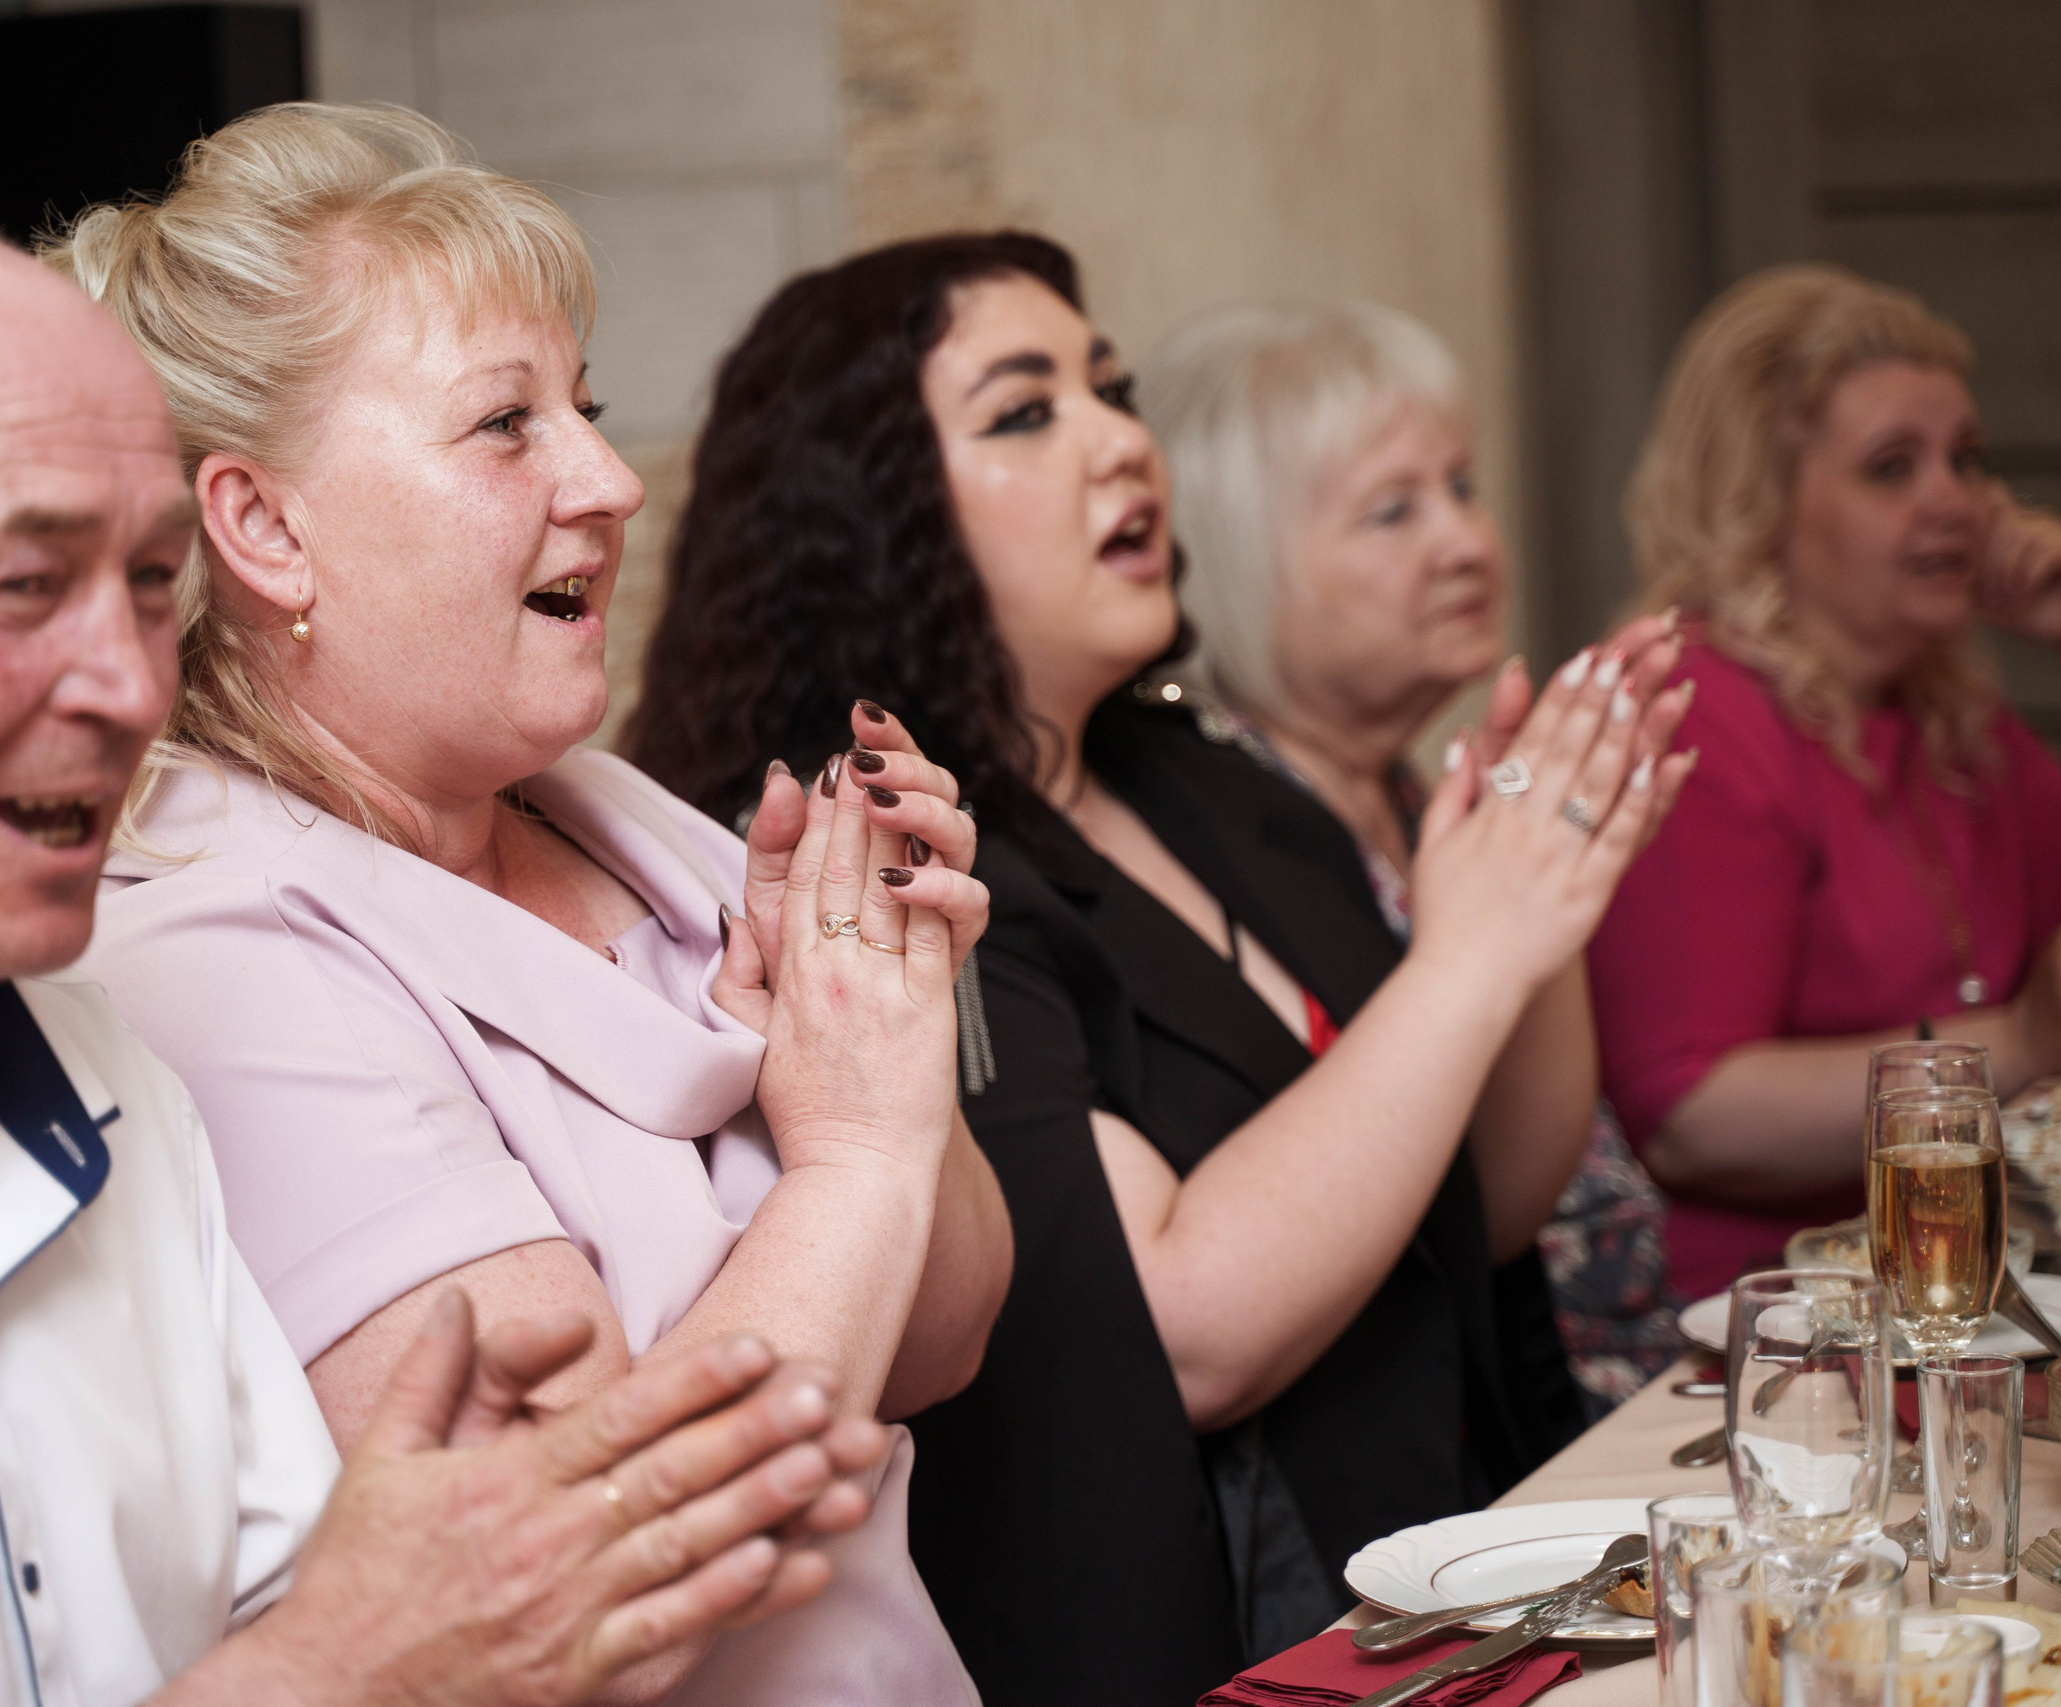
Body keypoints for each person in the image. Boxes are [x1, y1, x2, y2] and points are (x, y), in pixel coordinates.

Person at [0, 200, 888, 1707]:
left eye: (149, 584)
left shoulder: (113, 1081)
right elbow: (369, 1642)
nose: (128, 682)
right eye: (20, 583)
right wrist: (342, 1670)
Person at [625, 232, 1694, 1705]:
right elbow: (1181, 1319)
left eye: (1110, 388)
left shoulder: (1211, 779)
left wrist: (1537, 912)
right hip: (1254, 1644)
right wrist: (1471, 952)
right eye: (1027, 409)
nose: (1122, 440)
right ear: (871, 510)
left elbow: (1483, 1197)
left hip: (1478, 1577)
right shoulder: (890, 858)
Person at [54, 105, 1003, 1706]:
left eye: (589, 404)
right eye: (507, 426)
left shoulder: (619, 813)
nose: (613, 480)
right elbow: (589, 1568)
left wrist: (890, 1032)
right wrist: (846, 1151)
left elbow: (943, 1333)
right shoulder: (203, 947)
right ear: (267, 527)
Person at [1137, 302, 1683, 1414]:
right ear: (1236, 562)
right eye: (1393, 511)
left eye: (1463, 489)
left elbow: (1522, 1178)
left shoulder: (1406, 785)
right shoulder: (1212, 827)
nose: (1467, 544)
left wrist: (1547, 875)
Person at [1588, 264, 2061, 1301]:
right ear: (1760, 505)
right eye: (1893, 468)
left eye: (1967, 460)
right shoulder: (1696, 711)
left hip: (1973, 1291)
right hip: (1766, 1325)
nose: (1958, 502)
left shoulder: (1948, 713)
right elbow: (1690, 1116)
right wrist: (2013, 1046)